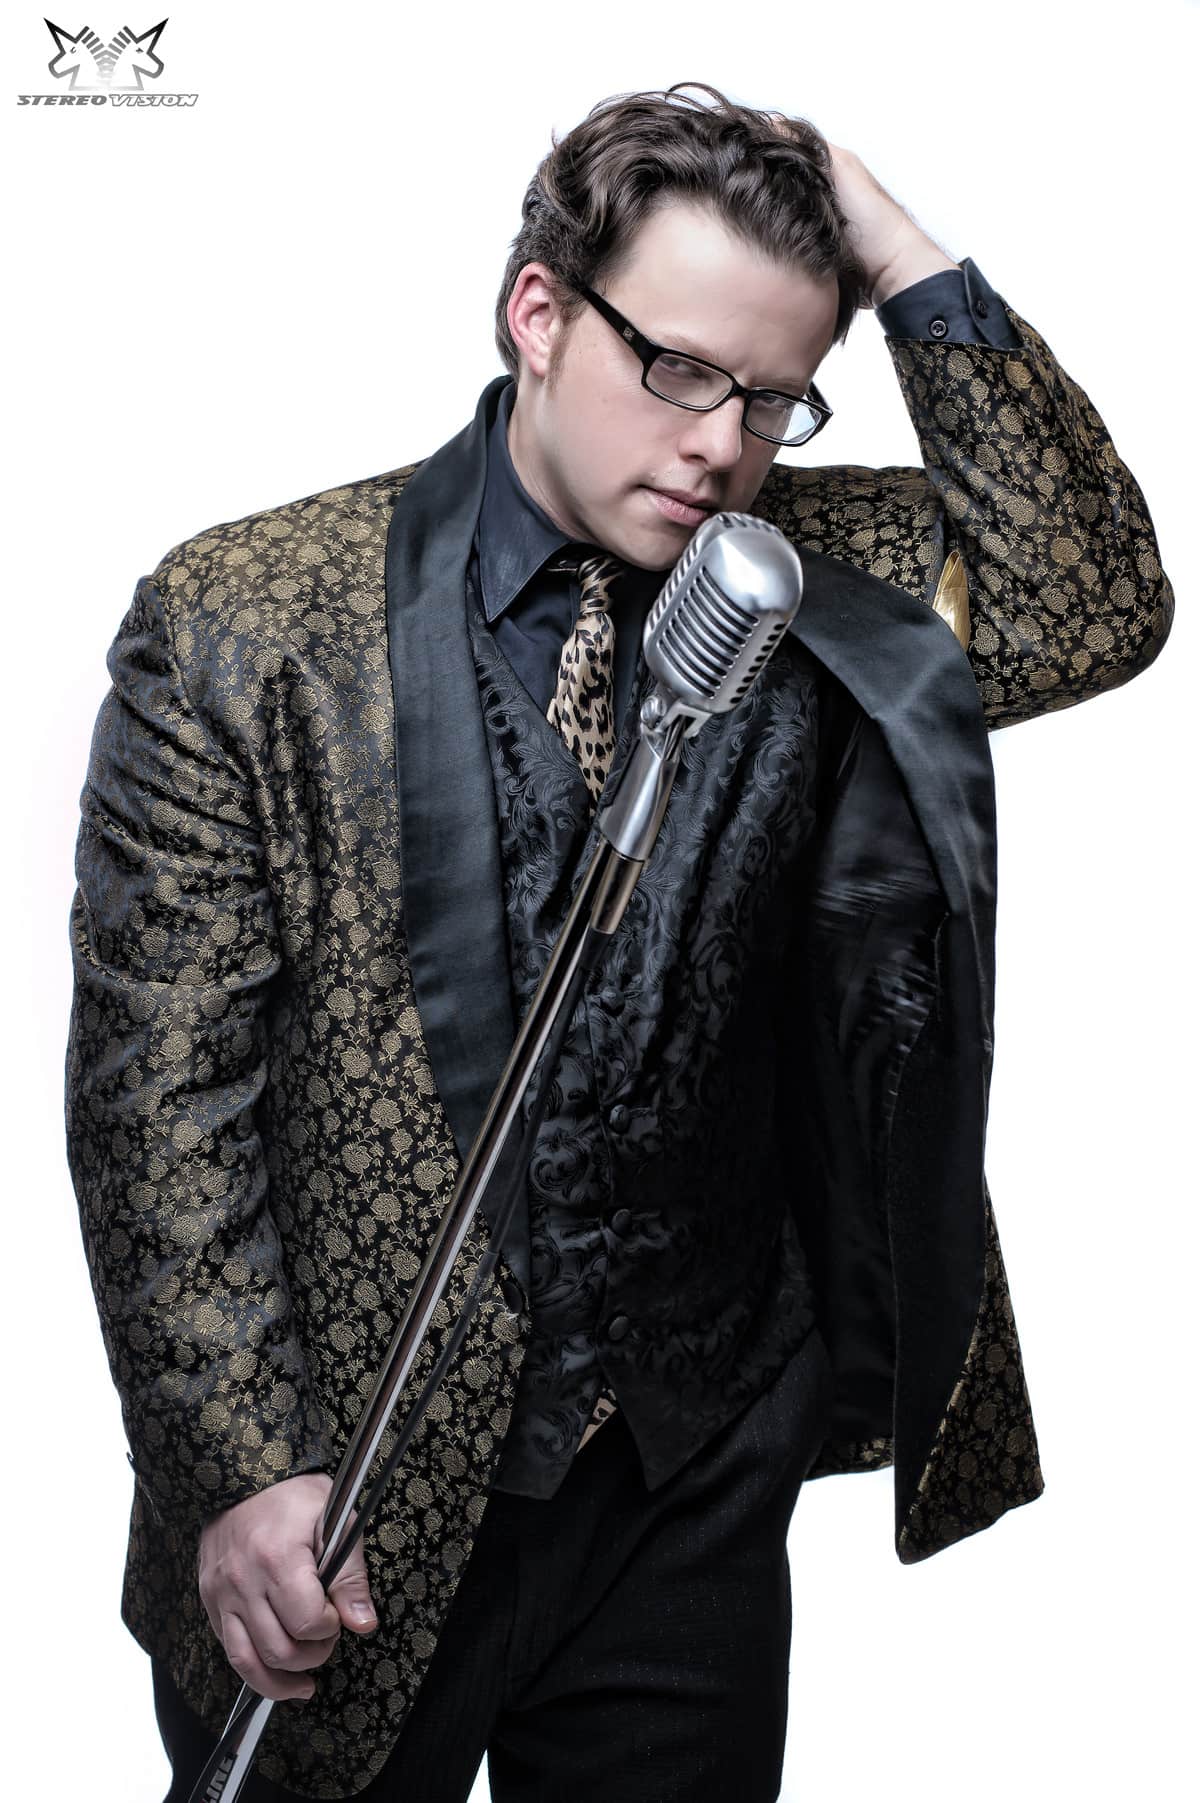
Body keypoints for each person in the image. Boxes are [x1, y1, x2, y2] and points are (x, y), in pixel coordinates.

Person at [64, 82, 1172, 1803]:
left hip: (690, 1464)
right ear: (537, 312)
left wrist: (892, 247)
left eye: (774, 398)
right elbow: (159, 1097)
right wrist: (239, 1468)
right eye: (678, 369)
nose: (723, 444)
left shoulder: (812, 579)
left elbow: (1091, 594)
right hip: (348, 1500)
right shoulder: (246, 622)